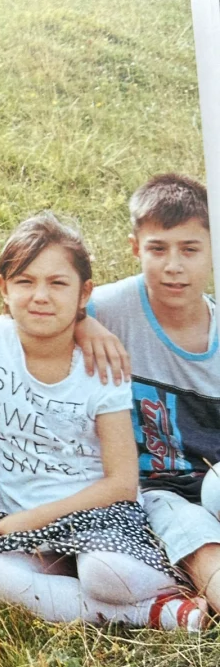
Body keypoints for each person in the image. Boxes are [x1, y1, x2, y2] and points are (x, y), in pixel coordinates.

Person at [0, 212, 207, 631]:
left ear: (83, 293)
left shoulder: (99, 368)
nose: (40, 296)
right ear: (3, 288)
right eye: (25, 281)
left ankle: (163, 578)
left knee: (103, 575)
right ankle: (152, 613)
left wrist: (33, 519)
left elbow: (122, 483)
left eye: (58, 283)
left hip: (100, 517)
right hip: (24, 524)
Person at [83, 174, 220, 614]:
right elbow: (30, 316)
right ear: (135, 248)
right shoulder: (109, 309)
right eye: (158, 248)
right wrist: (83, 323)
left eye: (190, 249)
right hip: (160, 489)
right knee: (200, 547)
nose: (173, 265)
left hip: (214, 477)